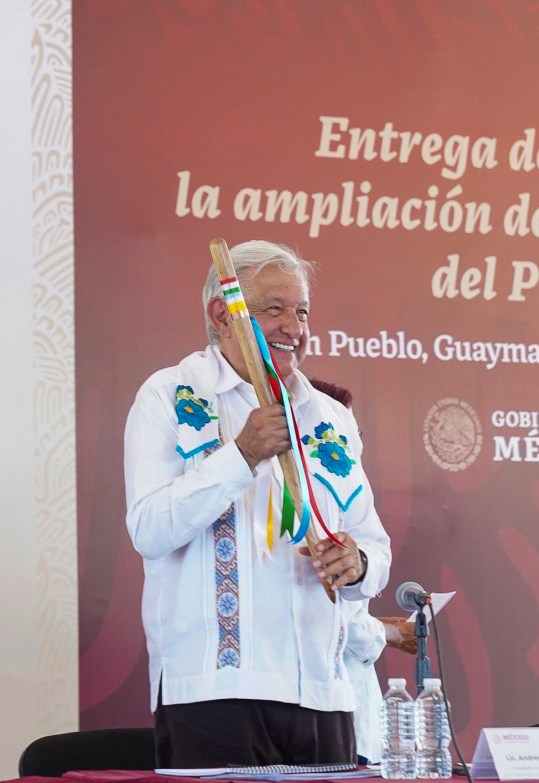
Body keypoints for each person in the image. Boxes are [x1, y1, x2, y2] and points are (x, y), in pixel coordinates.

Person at [124, 240, 392, 767]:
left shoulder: (328, 417)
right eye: (273, 309)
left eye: (302, 311)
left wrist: (356, 562)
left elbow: (373, 544)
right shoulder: (170, 395)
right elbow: (149, 529)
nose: (294, 327)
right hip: (213, 690)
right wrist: (242, 453)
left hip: (324, 691)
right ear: (223, 313)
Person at [309, 378, 417, 764]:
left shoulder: (348, 505)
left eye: (353, 432)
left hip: (351, 704)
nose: (351, 443)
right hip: (322, 709)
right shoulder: (304, 511)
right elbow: (324, 618)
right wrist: (388, 632)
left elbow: (350, 604)